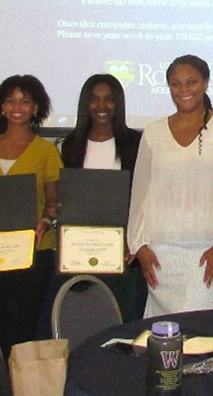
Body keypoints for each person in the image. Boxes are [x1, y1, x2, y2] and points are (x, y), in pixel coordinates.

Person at [128, 55, 213, 316]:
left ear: (206, 83)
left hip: (210, 252)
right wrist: (139, 246)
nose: (183, 90)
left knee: (198, 330)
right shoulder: (153, 133)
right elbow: (140, 193)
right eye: (175, 84)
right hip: (161, 254)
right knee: (164, 335)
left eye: (191, 82)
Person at [0, 74, 62, 352]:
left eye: (25, 101)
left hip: (34, 250)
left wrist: (44, 221)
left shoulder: (46, 151)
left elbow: (53, 203)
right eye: (10, 100)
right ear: (1, 106)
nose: (17, 106)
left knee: (25, 326)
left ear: (36, 108)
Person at [57, 74, 146, 322]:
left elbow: (144, 197)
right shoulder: (71, 144)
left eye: (109, 99)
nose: (102, 106)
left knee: (121, 318)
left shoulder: (136, 143)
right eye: (94, 100)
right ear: (86, 104)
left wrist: (135, 241)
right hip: (81, 248)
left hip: (123, 250)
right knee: (86, 319)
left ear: (118, 103)